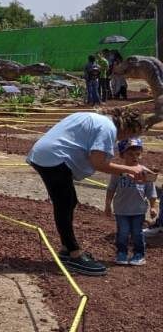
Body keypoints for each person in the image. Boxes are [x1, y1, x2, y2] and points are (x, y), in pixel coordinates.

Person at [27, 107, 152, 275]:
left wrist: (125, 171)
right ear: (128, 129)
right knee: (64, 204)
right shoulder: (108, 129)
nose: (125, 139)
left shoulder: (98, 119)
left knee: (70, 201)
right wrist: (130, 170)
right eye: (130, 135)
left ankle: (66, 249)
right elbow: (98, 163)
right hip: (54, 159)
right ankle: (74, 254)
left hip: (46, 154)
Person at [105, 138, 157, 266]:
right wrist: (107, 205)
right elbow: (111, 188)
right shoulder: (118, 171)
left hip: (138, 209)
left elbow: (151, 191)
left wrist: (153, 207)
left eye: (137, 154)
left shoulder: (145, 172)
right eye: (130, 154)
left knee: (137, 233)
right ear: (122, 155)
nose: (135, 157)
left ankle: (139, 254)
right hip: (121, 209)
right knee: (122, 232)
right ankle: (121, 253)